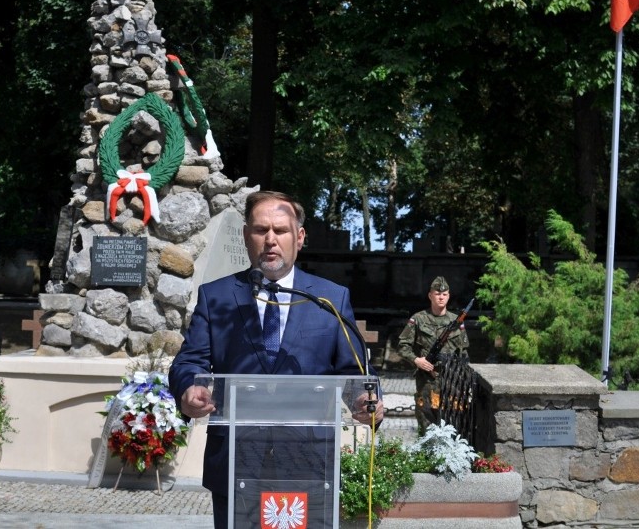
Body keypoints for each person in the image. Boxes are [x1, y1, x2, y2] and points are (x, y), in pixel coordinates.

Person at [168, 190, 384, 529]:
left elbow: (353, 370)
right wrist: (188, 390)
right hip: (235, 461)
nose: (271, 240)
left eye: (281, 231)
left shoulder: (329, 299)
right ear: (246, 235)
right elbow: (188, 362)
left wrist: (364, 398)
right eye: (260, 230)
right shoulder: (216, 296)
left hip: (309, 461)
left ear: (299, 237)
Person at [397, 276, 469, 436]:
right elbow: (403, 346)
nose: (441, 297)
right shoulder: (418, 319)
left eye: (444, 294)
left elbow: (464, 353)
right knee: (427, 424)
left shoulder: (457, 321)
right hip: (427, 380)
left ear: (448, 296)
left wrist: (464, 379)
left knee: (453, 425)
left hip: (452, 381)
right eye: (437, 293)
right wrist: (417, 360)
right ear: (430, 296)